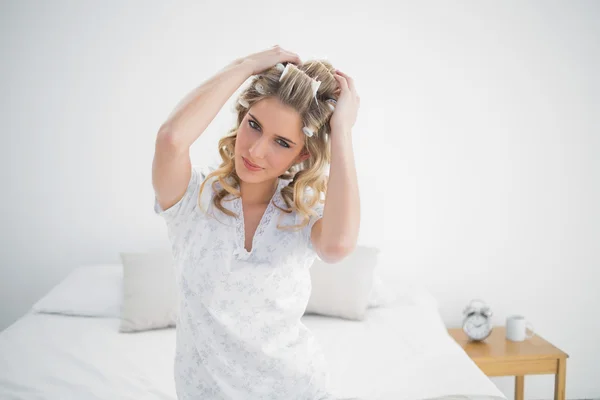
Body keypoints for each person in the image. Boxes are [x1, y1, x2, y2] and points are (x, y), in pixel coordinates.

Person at [152, 45, 361, 400]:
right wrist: (243, 66)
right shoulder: (191, 199)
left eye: (281, 142)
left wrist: (341, 130)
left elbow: (338, 246)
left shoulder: (302, 214)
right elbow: (172, 140)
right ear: (241, 117)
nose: (255, 151)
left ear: (302, 154)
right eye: (254, 125)